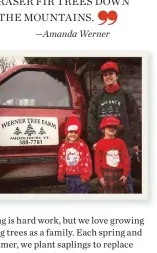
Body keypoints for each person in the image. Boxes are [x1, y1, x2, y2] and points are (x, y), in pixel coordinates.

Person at [87, 61, 141, 193]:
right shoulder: (97, 98)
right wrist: (95, 141)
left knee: (125, 177)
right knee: (106, 179)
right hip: (104, 144)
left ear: (117, 76)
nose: (108, 77)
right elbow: (91, 119)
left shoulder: (126, 94)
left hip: (124, 143)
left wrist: (134, 141)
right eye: (105, 75)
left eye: (111, 73)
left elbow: (135, 117)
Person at [94, 116, 130, 194]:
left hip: (119, 174)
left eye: (114, 127)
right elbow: (97, 161)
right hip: (106, 174)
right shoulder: (100, 144)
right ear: (103, 129)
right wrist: (100, 176)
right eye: (109, 126)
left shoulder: (120, 142)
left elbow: (125, 159)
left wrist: (125, 174)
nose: (112, 128)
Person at [57, 116, 92, 194]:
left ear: (78, 133)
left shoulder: (82, 145)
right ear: (66, 132)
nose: (73, 134)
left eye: (75, 132)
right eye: (70, 132)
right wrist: (61, 174)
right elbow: (62, 162)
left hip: (80, 177)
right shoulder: (63, 146)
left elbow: (86, 160)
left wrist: (85, 175)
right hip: (69, 177)